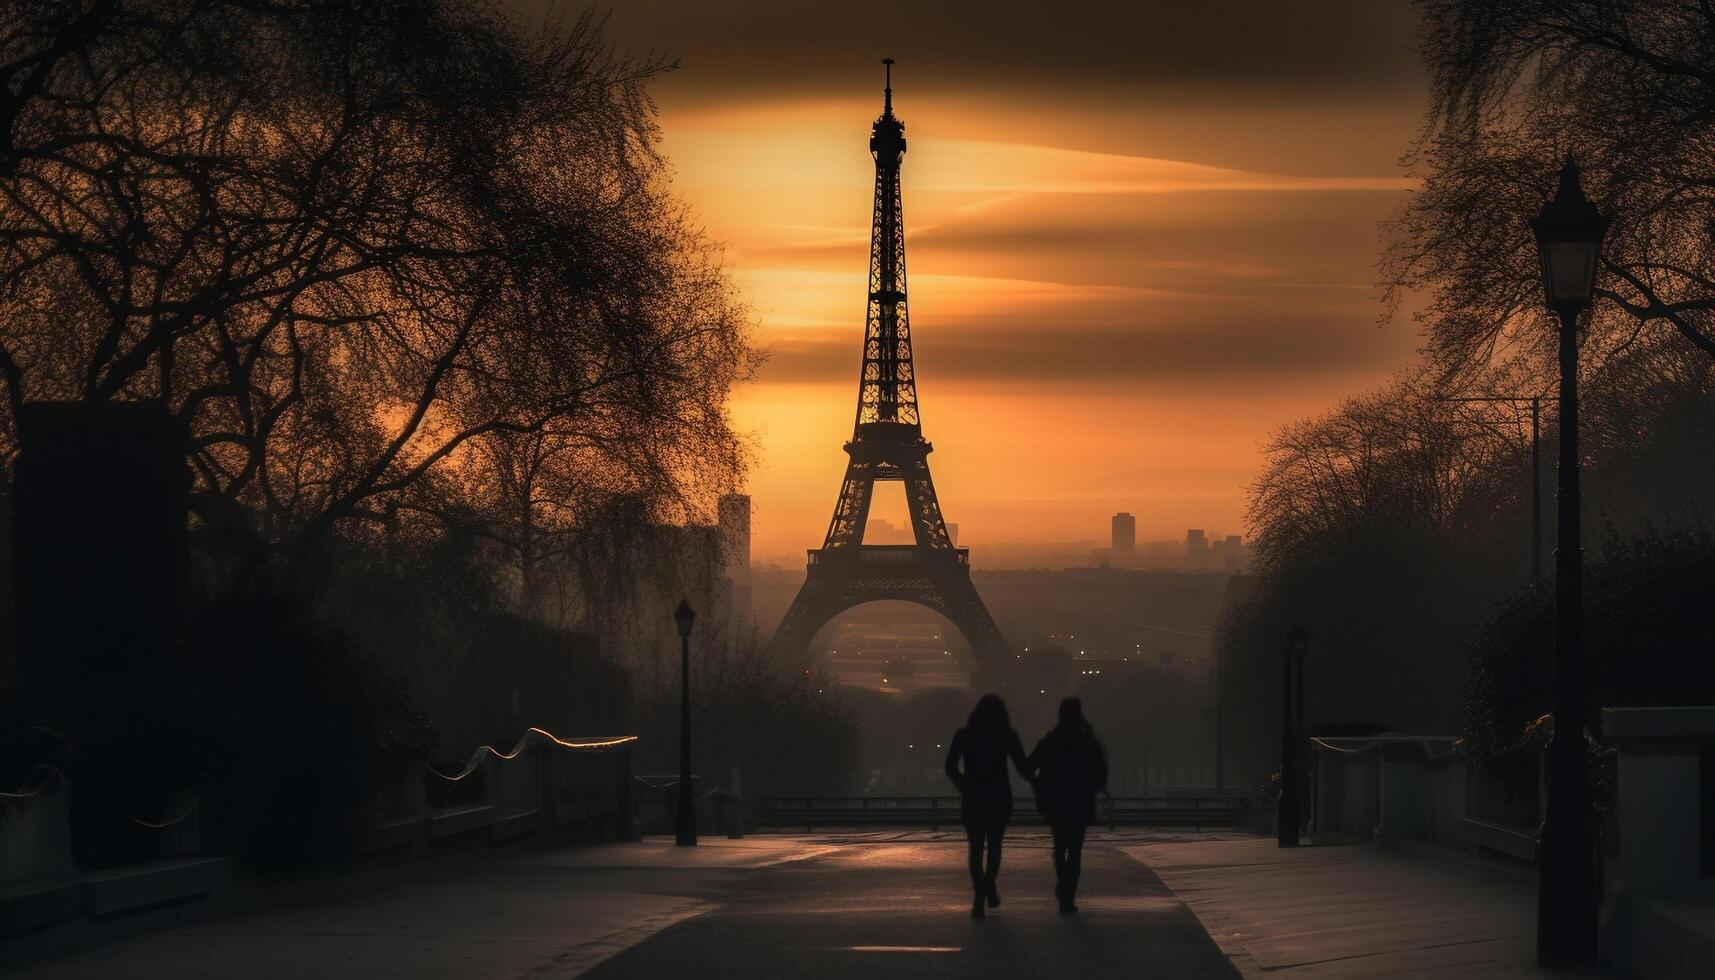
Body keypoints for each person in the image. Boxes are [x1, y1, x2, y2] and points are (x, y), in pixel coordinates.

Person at [943, 694, 1031, 918]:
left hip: (973, 797)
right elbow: (1023, 767)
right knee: (994, 846)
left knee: (975, 848)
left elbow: (950, 767)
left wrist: (964, 785)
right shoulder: (1007, 736)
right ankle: (988, 886)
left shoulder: (964, 735)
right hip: (999, 797)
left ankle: (979, 897)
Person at [1027, 697, 1108, 912]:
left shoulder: (1050, 741)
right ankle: (1068, 894)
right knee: (1075, 851)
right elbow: (1101, 773)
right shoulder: (1088, 742)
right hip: (1080, 803)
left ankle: (1064, 887)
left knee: (1060, 847)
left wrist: (1040, 786)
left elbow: (1028, 765)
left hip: (1056, 803)